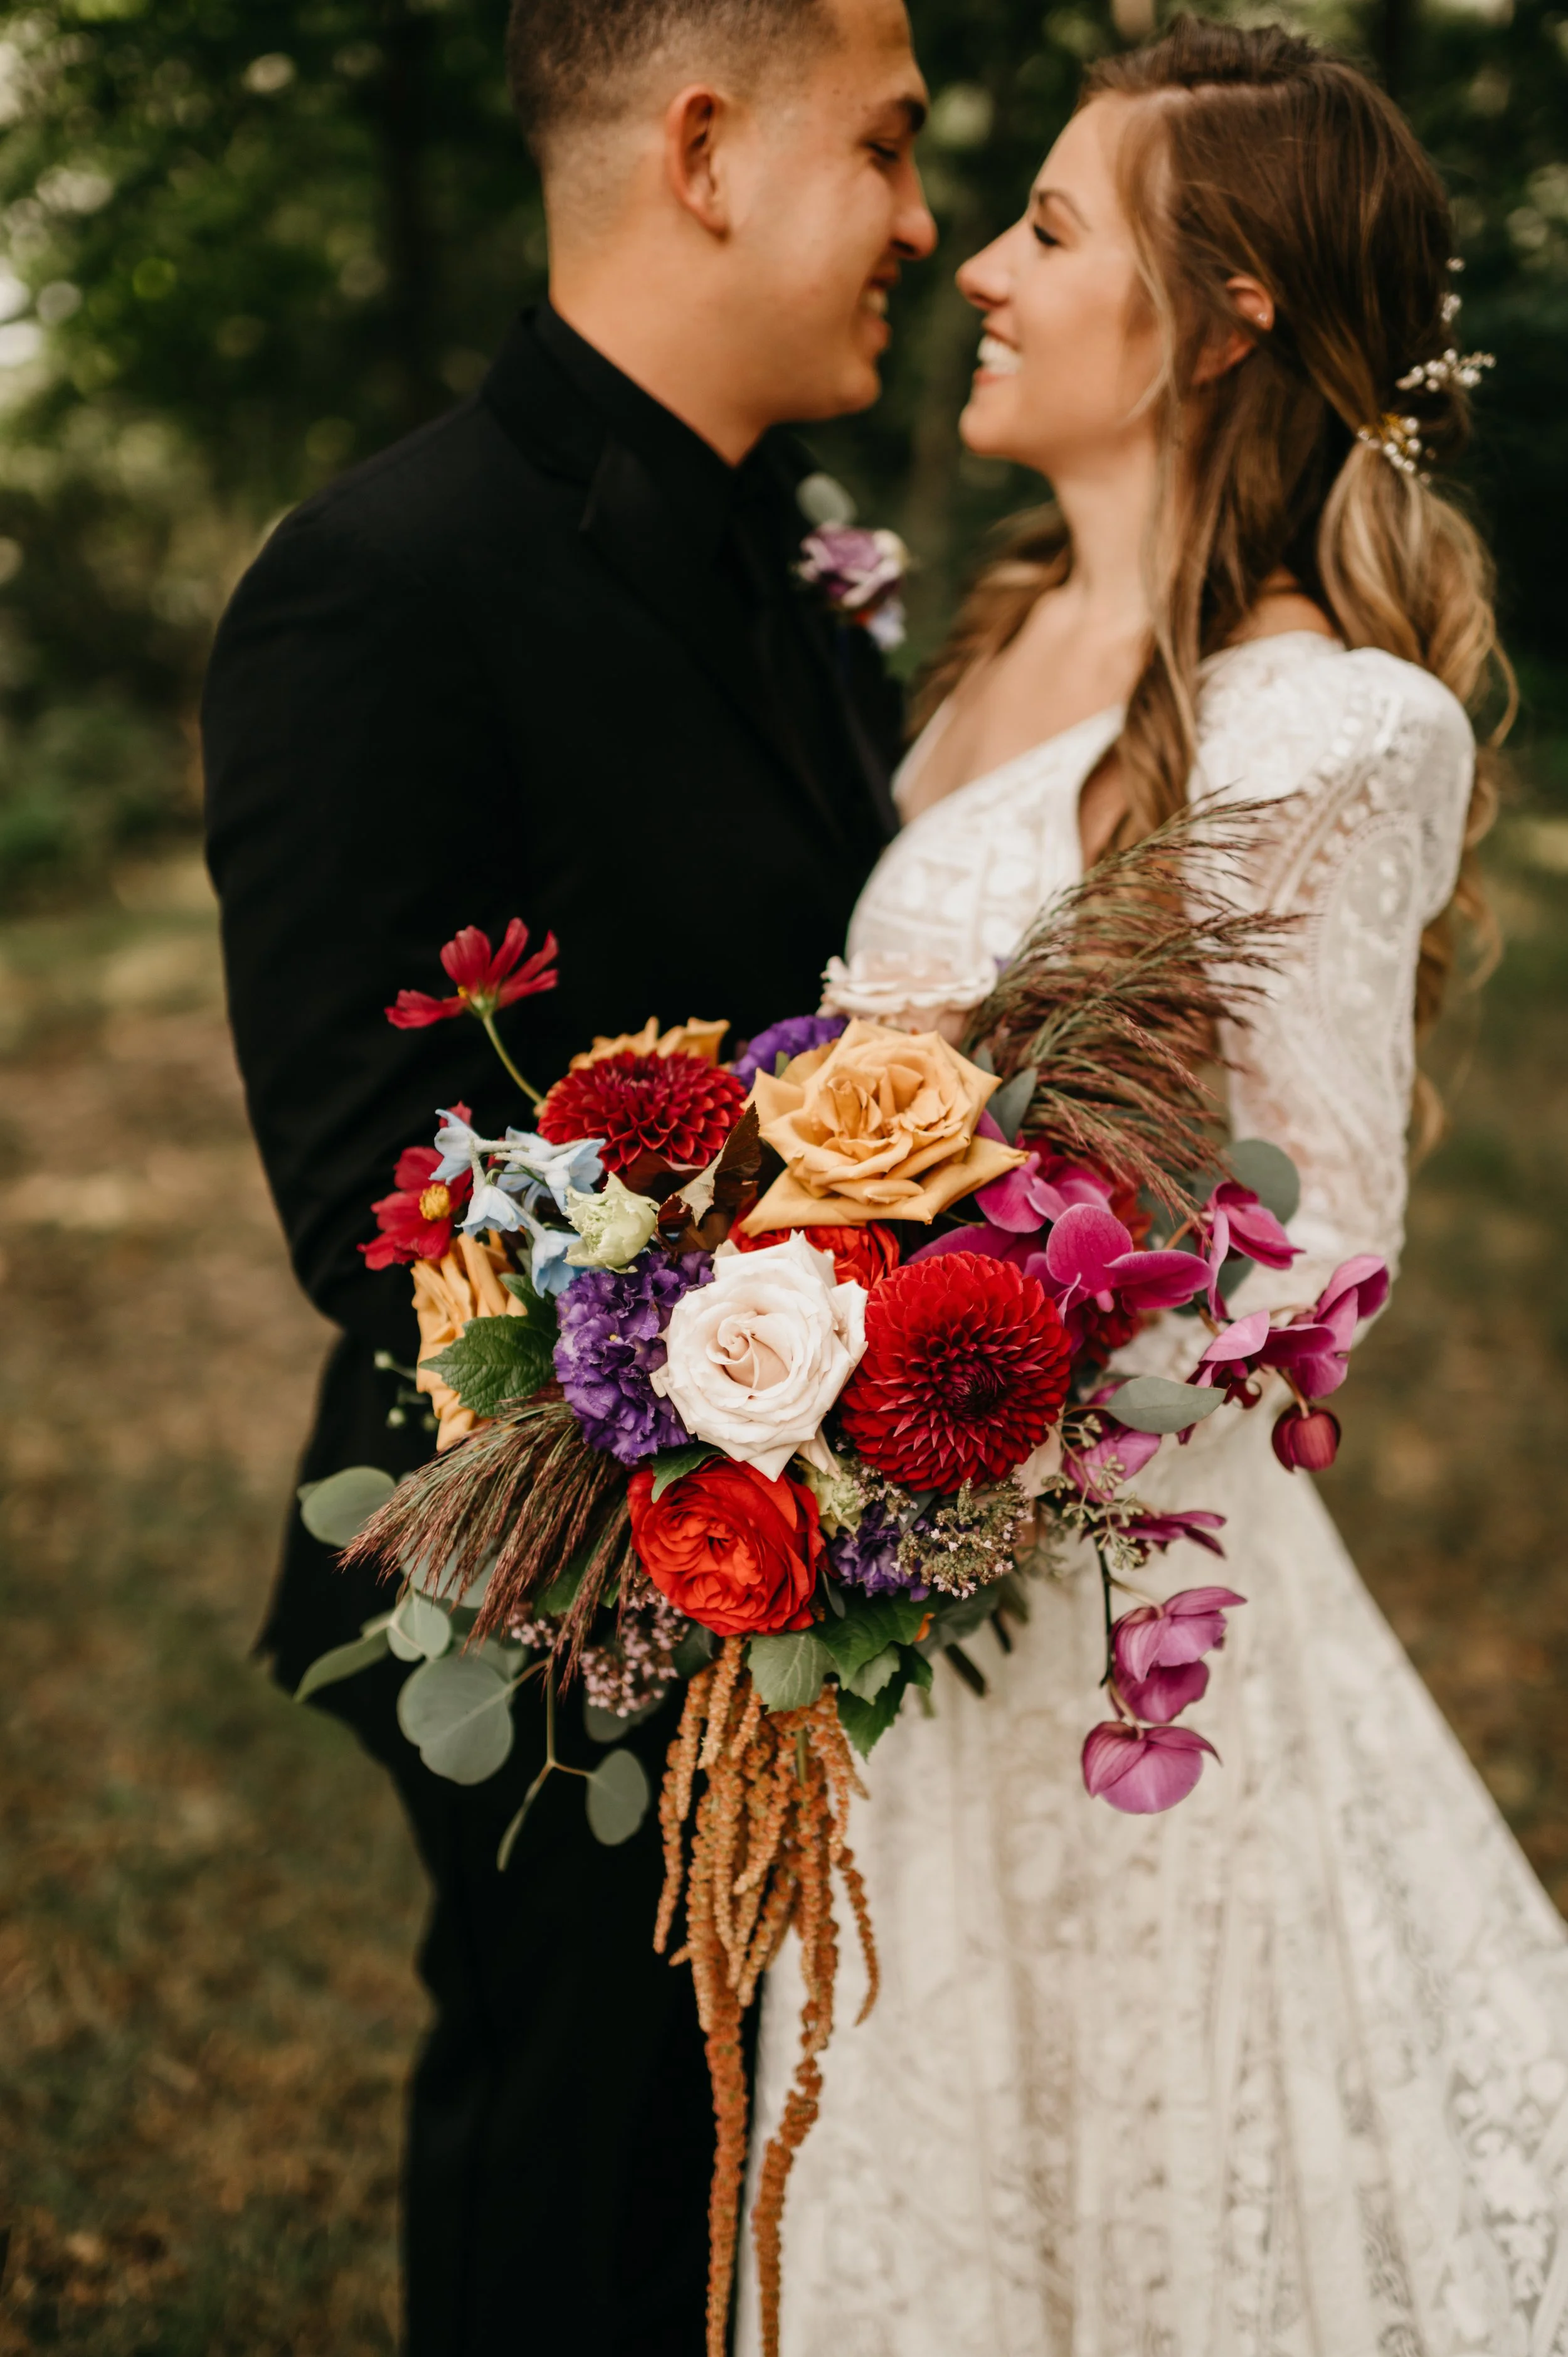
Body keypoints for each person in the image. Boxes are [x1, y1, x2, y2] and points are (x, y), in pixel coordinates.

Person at [741, 21, 1568, 2353]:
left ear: (1221, 317)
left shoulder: (1324, 721)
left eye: (1054, 226)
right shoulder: (990, 642)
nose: (979, 264)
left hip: (1097, 1626)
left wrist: (909, 1382)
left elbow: (1309, 1253)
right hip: (895, 1620)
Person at [201, 2, 935, 2349]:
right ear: (705, 150)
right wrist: (768, 1332)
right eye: (891, 149)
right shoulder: (380, 582)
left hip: (824, 1558)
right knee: (581, 2187)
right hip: (546, 1592)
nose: (925, 219)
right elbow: (370, 1190)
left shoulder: (804, 553)